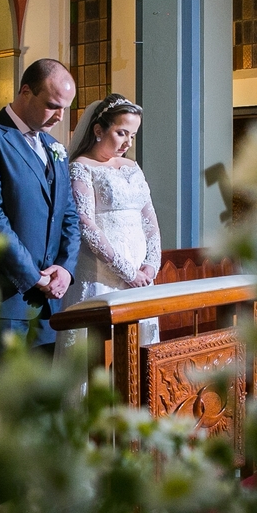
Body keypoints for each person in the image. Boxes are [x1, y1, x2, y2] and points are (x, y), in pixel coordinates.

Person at [0, 58, 80, 358]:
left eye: (65, 108)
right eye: (52, 106)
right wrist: (35, 277)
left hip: (47, 306)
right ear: (25, 92)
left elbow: (68, 214)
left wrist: (65, 268)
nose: (60, 117)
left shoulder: (54, 147)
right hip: (0, 302)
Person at [60, 94, 162, 348]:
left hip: (141, 274)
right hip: (101, 272)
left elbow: (149, 218)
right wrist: (127, 271)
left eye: (133, 135)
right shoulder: (81, 167)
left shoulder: (132, 167)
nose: (128, 142)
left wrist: (151, 264)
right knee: (99, 347)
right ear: (98, 130)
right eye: (121, 133)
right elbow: (86, 224)